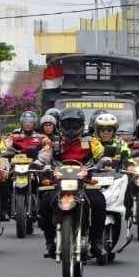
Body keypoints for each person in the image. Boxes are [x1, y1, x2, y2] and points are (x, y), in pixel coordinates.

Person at [37, 107, 106, 259]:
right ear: (61, 126)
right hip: (59, 183)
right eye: (67, 125)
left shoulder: (91, 142)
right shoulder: (53, 143)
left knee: (99, 202)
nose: (71, 129)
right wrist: (37, 164)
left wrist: (105, 162)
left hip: (84, 183)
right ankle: (50, 243)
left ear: (82, 125)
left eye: (74, 125)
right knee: (45, 203)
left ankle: (96, 243)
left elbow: (101, 155)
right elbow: (43, 157)